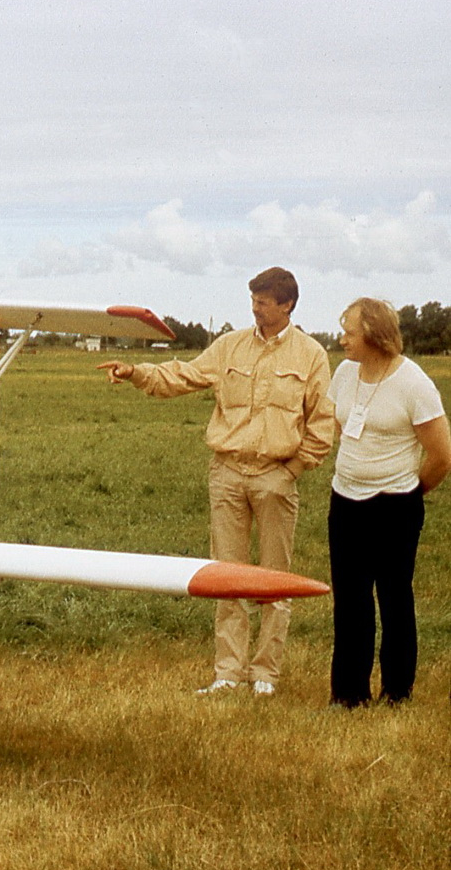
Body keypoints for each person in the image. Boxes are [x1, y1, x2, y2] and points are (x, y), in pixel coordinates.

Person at [98, 267, 333, 696]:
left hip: (275, 478)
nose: (255, 309)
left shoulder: (312, 355)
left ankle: (265, 675)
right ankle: (228, 672)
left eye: (264, 302)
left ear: (287, 305)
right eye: (254, 300)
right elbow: (182, 375)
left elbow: (322, 423)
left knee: (274, 578)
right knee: (226, 575)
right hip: (226, 474)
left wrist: (293, 471)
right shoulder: (229, 346)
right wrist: (135, 372)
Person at [327, 298, 450, 707]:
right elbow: (342, 426)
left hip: (395, 506)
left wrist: (408, 494)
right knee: (349, 600)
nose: (342, 338)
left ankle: (397, 692)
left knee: (394, 598)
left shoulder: (413, 383)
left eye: (349, 331)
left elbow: (440, 456)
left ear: (375, 335)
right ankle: (348, 695)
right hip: (345, 502)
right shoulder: (344, 374)